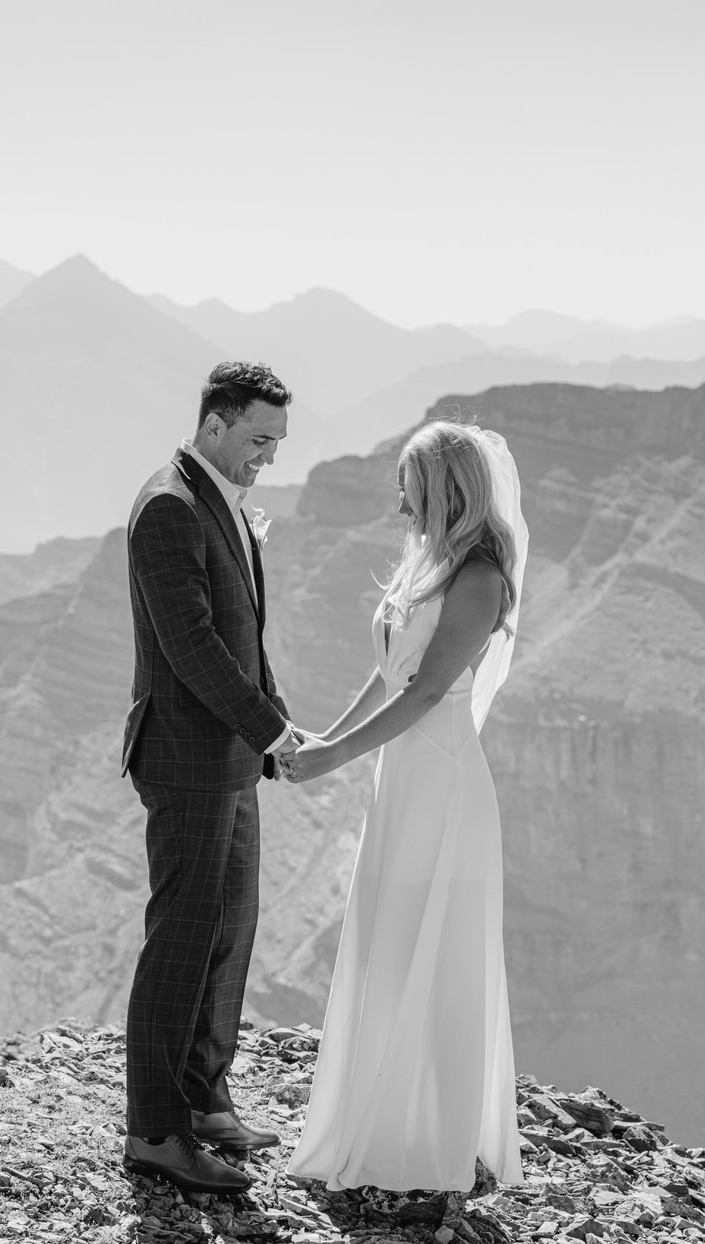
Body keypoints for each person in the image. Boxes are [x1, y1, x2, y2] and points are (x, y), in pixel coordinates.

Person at [281, 420, 528, 1193]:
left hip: (444, 786)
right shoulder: (429, 562)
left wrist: (335, 757)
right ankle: (384, 1119)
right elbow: (390, 673)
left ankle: (432, 1138)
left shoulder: (480, 576)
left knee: (436, 951)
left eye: (408, 488)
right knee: (390, 945)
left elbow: (427, 694)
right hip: (402, 782)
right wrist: (327, 735)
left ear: (443, 491)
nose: (397, 504)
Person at [122, 361, 302, 1194]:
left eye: (278, 441)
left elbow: (245, 641)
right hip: (188, 762)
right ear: (217, 423)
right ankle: (157, 1129)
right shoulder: (168, 506)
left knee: (231, 932)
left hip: (230, 758)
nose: (270, 456)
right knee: (183, 940)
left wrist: (273, 730)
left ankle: (205, 1101)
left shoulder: (214, 496)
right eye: (260, 438)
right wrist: (272, 730)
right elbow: (193, 646)